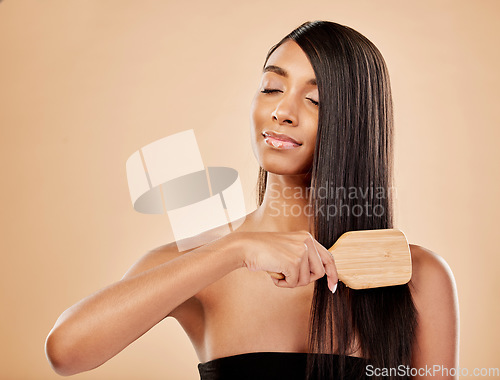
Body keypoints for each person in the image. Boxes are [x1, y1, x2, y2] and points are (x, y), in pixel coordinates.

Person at [45, 21, 459, 379]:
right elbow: (66, 351)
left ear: (355, 123)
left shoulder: (416, 276)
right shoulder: (202, 260)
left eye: (315, 100)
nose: (281, 110)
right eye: (271, 87)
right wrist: (235, 249)